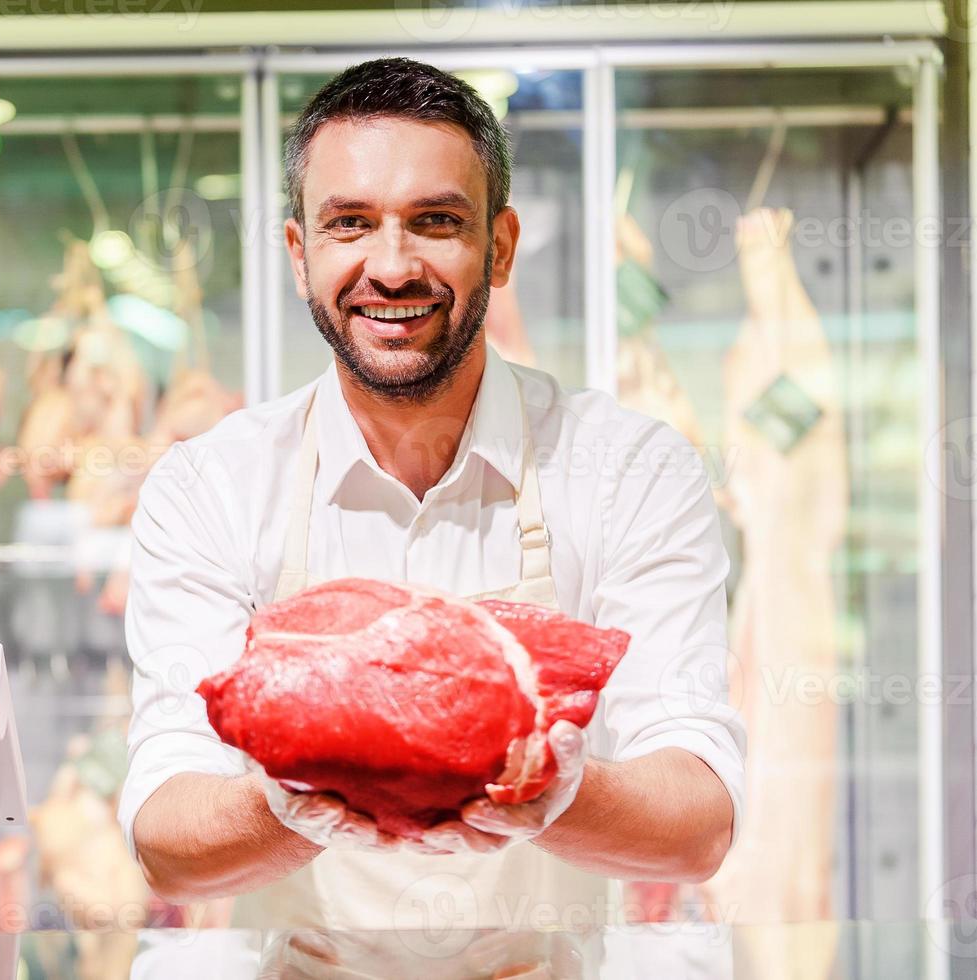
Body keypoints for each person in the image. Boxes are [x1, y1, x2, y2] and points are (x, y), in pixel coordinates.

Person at [117, 57, 744, 930]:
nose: (393, 265)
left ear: (500, 246)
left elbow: (696, 826)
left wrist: (552, 792)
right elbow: (164, 839)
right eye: (349, 224)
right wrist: (289, 802)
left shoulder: (631, 470)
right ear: (300, 256)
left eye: (436, 221)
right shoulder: (210, 487)